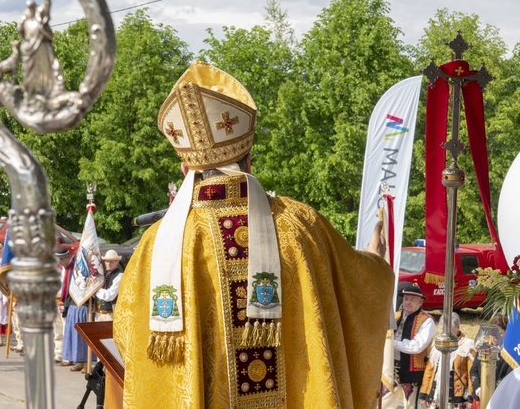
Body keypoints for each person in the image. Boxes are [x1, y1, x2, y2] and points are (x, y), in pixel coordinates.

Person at [113, 61, 394, 407]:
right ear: (249, 160)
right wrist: (376, 261)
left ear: (185, 169)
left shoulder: (157, 243)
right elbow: (360, 289)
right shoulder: (299, 224)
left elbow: (129, 333)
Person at [390, 285, 436, 409]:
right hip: (390, 366)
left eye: (412, 299)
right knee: (385, 402)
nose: (408, 302)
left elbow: (416, 346)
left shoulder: (427, 321)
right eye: (406, 299)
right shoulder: (395, 316)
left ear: (420, 302)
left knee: (410, 405)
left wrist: (391, 342)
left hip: (412, 370)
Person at [419, 312, 475, 408]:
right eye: (443, 330)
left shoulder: (467, 345)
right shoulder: (437, 343)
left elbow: (471, 372)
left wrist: (471, 396)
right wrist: (424, 393)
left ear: (458, 327)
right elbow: (430, 370)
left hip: (457, 395)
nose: (446, 333)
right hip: (437, 392)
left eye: (451, 330)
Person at [470, 314, 512, 403]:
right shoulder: (483, 348)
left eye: (499, 333)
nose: (495, 337)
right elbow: (473, 370)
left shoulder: (509, 353)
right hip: (480, 397)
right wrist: (478, 389)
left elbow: (509, 376)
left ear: (506, 332)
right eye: (493, 334)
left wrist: (492, 392)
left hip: (499, 398)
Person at [54, 244, 73, 365]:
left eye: (62, 259)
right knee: (57, 330)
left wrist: (65, 303)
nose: (60, 262)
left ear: (67, 257)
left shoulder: (72, 269)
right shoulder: (57, 269)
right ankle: (58, 353)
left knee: (67, 329)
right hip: (56, 300)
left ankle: (68, 356)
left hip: (67, 302)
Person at [93, 249, 123, 322]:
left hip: (109, 314)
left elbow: (110, 296)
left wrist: (96, 290)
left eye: (111, 261)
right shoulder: (104, 274)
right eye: (107, 261)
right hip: (98, 313)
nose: (108, 264)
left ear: (117, 262)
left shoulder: (119, 275)